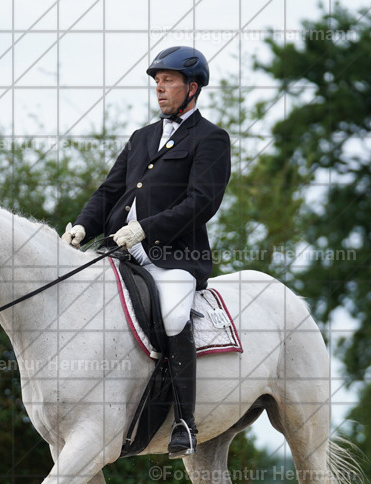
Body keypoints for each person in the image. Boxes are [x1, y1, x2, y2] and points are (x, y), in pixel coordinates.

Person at [63, 46, 232, 456]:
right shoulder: (141, 138)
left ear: (192, 88)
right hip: (121, 252)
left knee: (174, 315)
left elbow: (201, 202)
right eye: (157, 81)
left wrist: (145, 230)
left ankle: (184, 423)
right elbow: (110, 191)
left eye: (168, 80)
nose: (160, 88)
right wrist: (83, 226)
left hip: (175, 258)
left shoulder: (211, 139)